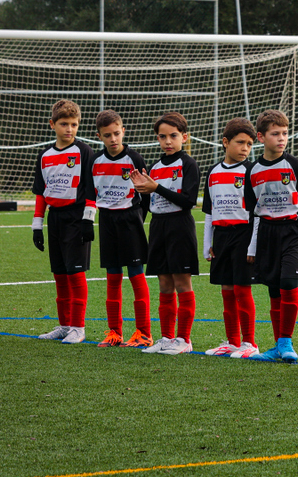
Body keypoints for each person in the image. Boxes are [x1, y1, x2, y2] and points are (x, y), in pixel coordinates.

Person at [245, 109, 298, 364]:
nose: (282, 138)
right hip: (268, 232)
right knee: (274, 289)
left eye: (285, 133)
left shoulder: (295, 166)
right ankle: (278, 346)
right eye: (275, 134)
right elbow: (252, 207)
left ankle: (285, 341)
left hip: (294, 231)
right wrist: (253, 246)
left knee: (289, 282)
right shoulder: (252, 170)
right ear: (261, 137)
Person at [132, 112, 200, 356]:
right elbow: (149, 201)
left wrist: (156, 187)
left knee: (182, 283)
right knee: (164, 284)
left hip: (180, 226)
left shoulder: (188, 164)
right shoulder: (155, 166)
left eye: (173, 136)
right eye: (162, 137)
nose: (168, 141)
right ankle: (166, 338)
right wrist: (141, 190)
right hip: (158, 227)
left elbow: (188, 201)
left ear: (184, 136)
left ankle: (184, 339)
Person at [33, 99, 95, 345]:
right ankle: (64, 324)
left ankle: (78, 328)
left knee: (75, 274)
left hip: (76, 218)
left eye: (74, 124)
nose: (69, 129)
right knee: (59, 274)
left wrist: (88, 219)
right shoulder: (44, 155)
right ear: (52, 125)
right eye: (64, 124)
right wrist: (37, 226)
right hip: (55, 220)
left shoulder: (84, 151)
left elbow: (92, 188)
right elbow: (41, 192)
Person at [90, 109, 153, 348]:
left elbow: (146, 193)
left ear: (123, 131)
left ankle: (144, 333)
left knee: (136, 273)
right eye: (108, 135)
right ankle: (114, 332)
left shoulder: (134, 159)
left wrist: (138, 218)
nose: (113, 139)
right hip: (106, 220)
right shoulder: (95, 161)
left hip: (130, 219)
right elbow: (90, 192)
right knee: (112, 276)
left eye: (117, 133)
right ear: (100, 136)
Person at [201, 118, 257, 358]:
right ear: (225, 142)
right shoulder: (213, 172)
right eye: (240, 142)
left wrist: (253, 245)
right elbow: (209, 212)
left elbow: (257, 213)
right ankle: (233, 341)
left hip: (244, 234)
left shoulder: (251, 171)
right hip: (221, 236)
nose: (245, 148)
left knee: (242, 289)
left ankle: (249, 343)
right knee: (226, 289)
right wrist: (207, 243)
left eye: (249, 143)